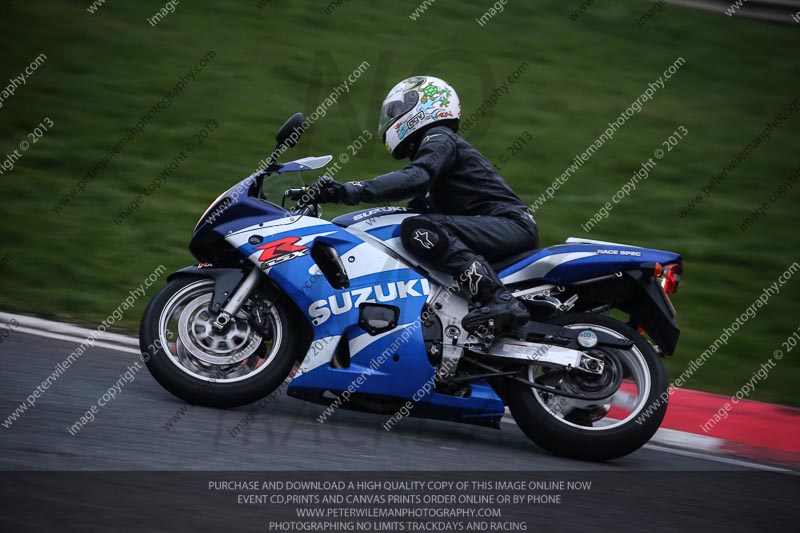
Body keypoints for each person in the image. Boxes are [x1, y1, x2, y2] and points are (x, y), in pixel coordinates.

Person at [311, 76, 538, 334]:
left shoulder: (439, 137)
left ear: (425, 104)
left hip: (510, 224)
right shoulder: (436, 164)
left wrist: (350, 190)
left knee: (417, 230)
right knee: (409, 229)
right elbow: (407, 207)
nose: (391, 117)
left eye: (397, 110)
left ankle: (499, 299)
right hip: (495, 227)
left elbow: (415, 178)